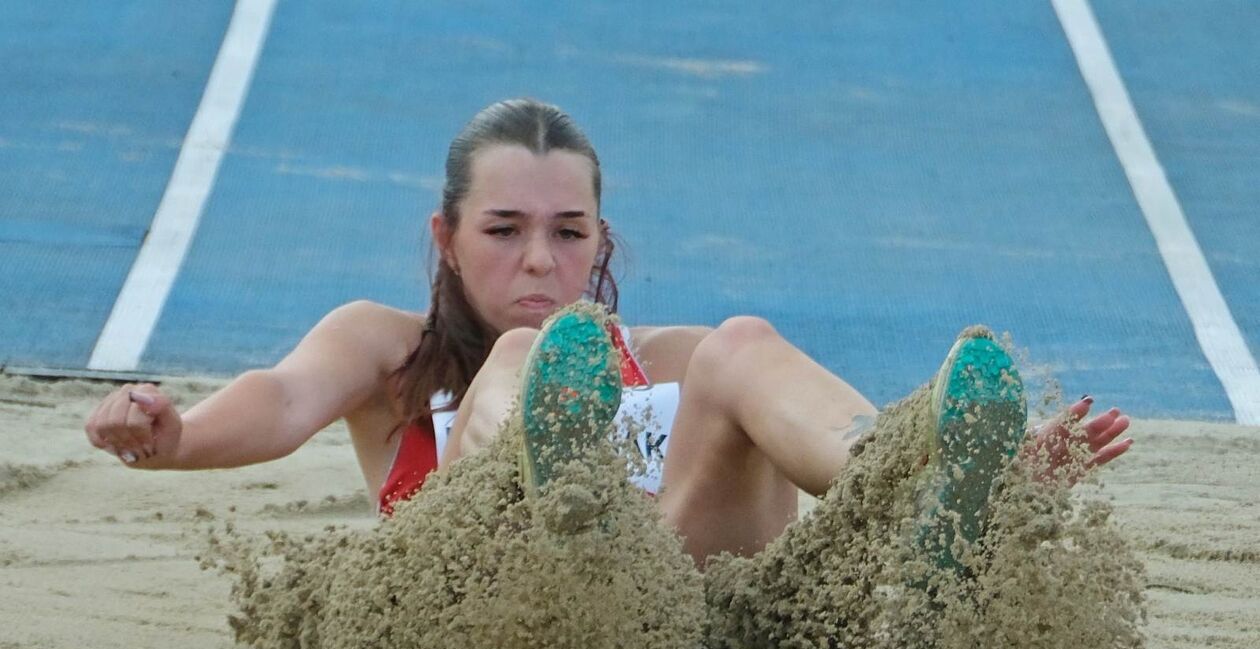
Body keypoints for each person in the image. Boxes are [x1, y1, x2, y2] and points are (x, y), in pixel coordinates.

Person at [84, 98, 1132, 566]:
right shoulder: (385, 352)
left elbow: (779, 421)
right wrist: (172, 436)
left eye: (566, 232)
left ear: (599, 243)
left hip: (672, 620)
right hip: (494, 606)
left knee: (741, 343)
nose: (538, 261)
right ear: (446, 239)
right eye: (505, 231)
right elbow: (277, 400)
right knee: (527, 355)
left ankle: (924, 480)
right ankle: (548, 468)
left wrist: (984, 472)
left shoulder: (665, 359)